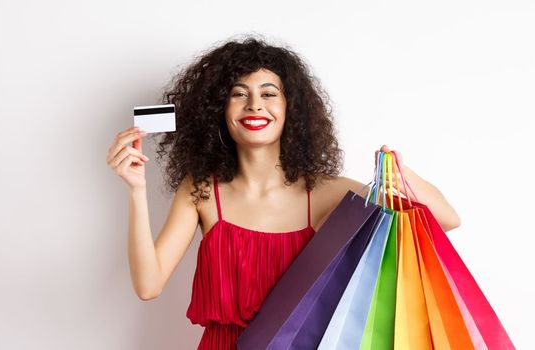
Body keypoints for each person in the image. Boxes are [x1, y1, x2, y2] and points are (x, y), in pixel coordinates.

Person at [107, 36, 461, 349]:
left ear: (291, 108)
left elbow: (446, 219)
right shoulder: (201, 190)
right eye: (238, 94)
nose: (254, 105)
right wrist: (136, 190)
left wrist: (400, 172)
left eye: (268, 94)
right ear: (218, 111)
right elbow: (148, 286)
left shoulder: (324, 192)